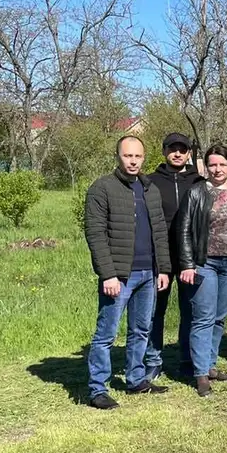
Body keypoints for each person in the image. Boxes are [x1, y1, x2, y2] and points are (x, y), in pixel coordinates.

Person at [83, 136, 172, 410]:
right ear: (118, 156)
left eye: (138, 156)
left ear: (144, 158)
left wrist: (164, 269)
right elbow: (95, 235)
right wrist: (107, 274)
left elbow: (159, 232)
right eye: (127, 156)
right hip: (120, 276)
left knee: (141, 330)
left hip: (148, 272)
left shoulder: (149, 189)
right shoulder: (102, 188)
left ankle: (135, 379)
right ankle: (98, 388)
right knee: (106, 334)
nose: (133, 161)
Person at [175, 145, 227, 397]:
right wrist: (187, 264)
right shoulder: (196, 192)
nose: (217, 169)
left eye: (222, 164)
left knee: (220, 316)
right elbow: (183, 229)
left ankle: (210, 364)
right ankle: (200, 374)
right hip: (204, 263)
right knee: (204, 317)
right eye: (212, 164)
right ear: (205, 166)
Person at [147, 132, 204, 378]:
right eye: (173, 149)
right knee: (154, 312)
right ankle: (152, 362)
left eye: (182, 149)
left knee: (191, 310)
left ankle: (188, 360)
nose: (177, 154)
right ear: (164, 151)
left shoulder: (199, 182)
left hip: (191, 258)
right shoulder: (149, 182)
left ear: (189, 153)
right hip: (160, 257)